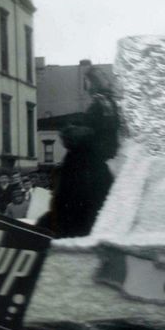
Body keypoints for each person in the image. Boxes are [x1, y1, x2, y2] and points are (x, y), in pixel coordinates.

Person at [38, 67, 121, 237]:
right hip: (94, 162)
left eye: (88, 83)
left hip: (87, 162)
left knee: (72, 199)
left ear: (93, 83)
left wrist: (74, 132)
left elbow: (100, 131)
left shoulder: (101, 103)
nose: (87, 87)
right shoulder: (109, 103)